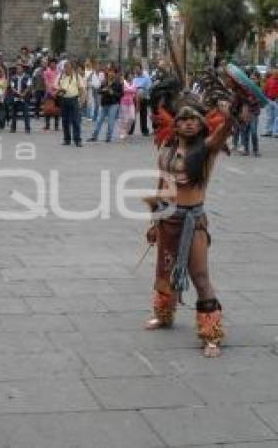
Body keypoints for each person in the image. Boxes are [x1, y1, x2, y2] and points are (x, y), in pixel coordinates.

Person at [144, 94, 233, 357]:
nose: (189, 123)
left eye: (195, 119)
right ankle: (164, 315)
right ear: (175, 125)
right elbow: (161, 185)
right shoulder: (166, 152)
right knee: (165, 271)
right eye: (184, 119)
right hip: (167, 217)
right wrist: (153, 221)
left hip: (192, 221)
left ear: (202, 124)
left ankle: (211, 334)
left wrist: (228, 117)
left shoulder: (206, 150)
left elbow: (222, 133)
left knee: (200, 277)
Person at [89, 67, 123, 142]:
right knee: (99, 120)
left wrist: (113, 93)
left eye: (112, 72)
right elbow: (99, 91)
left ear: (115, 73)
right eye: (109, 72)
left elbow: (121, 95)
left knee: (111, 121)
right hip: (105, 103)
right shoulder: (105, 81)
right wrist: (103, 90)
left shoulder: (118, 83)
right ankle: (94, 136)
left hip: (114, 104)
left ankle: (108, 137)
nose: (110, 73)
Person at [56, 61, 85, 147]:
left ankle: (77, 140)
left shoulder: (77, 76)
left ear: (72, 68)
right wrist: (58, 92)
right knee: (65, 121)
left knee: (76, 121)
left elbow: (82, 89)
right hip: (64, 100)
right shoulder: (61, 76)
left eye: (68, 67)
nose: (66, 69)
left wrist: (82, 101)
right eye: (65, 67)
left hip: (74, 99)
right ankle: (67, 139)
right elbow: (56, 87)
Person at [8, 62, 32, 133]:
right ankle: (13, 128)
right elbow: (12, 87)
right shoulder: (13, 77)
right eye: (17, 69)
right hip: (15, 97)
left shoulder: (27, 77)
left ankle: (27, 128)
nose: (18, 70)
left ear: (23, 69)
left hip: (24, 97)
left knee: (26, 114)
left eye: (19, 68)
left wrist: (23, 94)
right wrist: (18, 93)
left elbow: (29, 86)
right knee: (14, 113)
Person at [118, 71, 138, 141]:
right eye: (129, 75)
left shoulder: (134, 83)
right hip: (124, 102)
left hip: (131, 102)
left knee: (132, 118)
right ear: (127, 76)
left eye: (131, 75)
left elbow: (135, 92)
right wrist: (131, 90)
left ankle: (126, 131)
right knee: (125, 119)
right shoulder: (123, 82)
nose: (130, 76)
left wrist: (129, 90)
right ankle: (123, 132)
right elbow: (123, 90)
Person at [42, 60, 60, 132]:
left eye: (54, 64)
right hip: (49, 92)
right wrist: (51, 92)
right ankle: (47, 125)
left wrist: (56, 92)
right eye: (51, 63)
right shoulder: (46, 72)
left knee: (57, 109)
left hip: (57, 92)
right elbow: (46, 83)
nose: (53, 65)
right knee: (47, 109)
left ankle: (56, 125)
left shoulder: (59, 72)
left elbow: (60, 82)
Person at [262, 66, 278, 137]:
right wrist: (264, 99)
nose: (275, 73)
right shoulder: (269, 80)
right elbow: (265, 90)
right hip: (269, 100)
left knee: (276, 117)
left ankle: (275, 132)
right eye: (274, 72)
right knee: (269, 116)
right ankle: (268, 131)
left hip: (276, 100)